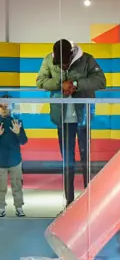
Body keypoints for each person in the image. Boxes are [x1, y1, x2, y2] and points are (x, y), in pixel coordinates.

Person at [35, 39, 106, 207]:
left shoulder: (87, 59)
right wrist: (61, 84)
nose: (64, 67)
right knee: (67, 161)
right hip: (62, 118)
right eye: (60, 65)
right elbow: (40, 81)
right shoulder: (48, 59)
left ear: (72, 54)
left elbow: (101, 81)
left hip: (83, 116)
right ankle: (69, 202)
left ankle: (88, 200)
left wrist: (75, 84)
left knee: (85, 160)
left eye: (66, 63)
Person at [0, 97, 28, 217]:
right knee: (1, 187)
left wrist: (18, 132)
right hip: (0, 162)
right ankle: (1, 207)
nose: (5, 109)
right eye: (3, 106)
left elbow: (24, 141)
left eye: (7, 106)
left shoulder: (17, 122)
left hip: (15, 161)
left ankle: (19, 207)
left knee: (17, 186)